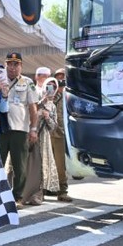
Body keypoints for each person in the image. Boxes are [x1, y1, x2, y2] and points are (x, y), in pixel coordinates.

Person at [0, 52, 39, 207]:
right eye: (10, 64)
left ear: (21, 66)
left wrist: (33, 129)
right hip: (1, 129)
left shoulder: (27, 82)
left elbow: (33, 108)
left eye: (16, 64)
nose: (12, 67)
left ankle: (17, 197)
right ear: (5, 64)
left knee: (19, 166)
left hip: (20, 129)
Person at [22, 77, 60, 206]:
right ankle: (22, 193)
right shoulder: (35, 98)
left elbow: (54, 127)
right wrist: (41, 102)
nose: (50, 89)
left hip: (43, 139)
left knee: (41, 167)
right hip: (29, 135)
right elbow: (27, 112)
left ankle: (37, 195)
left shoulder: (53, 106)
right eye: (48, 85)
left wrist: (48, 117)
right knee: (27, 165)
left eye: (53, 87)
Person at [50, 68, 73, 201]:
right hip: (47, 133)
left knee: (60, 164)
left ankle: (62, 191)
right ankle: (42, 190)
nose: (61, 80)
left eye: (63, 77)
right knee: (44, 163)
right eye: (58, 78)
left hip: (61, 134)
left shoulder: (68, 96)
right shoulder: (50, 95)